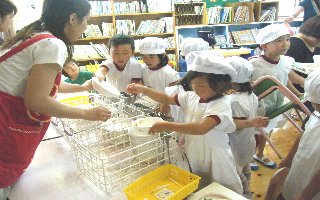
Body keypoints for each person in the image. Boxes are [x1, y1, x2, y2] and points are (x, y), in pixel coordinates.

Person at [0, 0, 112, 199]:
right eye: (86, 20)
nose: (86, 27)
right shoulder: (53, 44)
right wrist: (87, 113)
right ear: (72, 18)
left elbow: (40, 83)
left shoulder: (33, 35)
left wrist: (80, 88)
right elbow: (36, 100)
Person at [127, 51, 243, 194]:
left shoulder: (220, 105)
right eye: (193, 84)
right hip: (194, 148)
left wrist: (166, 125)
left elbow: (201, 128)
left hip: (213, 153)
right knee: (199, 184)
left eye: (200, 85)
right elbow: (166, 99)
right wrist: (143, 89)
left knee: (219, 187)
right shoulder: (192, 97)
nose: (195, 88)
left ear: (219, 86)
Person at [249, 23, 303, 170]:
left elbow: (285, 80)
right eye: (278, 40)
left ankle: (259, 154)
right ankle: (248, 157)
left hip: (275, 102)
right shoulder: (254, 63)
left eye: (287, 39)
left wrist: (297, 94)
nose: (285, 44)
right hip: (257, 106)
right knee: (254, 133)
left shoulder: (286, 61)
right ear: (264, 45)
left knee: (268, 130)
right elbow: (246, 85)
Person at [265, 70, 320, 200]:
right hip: (301, 171)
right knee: (292, 189)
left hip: (312, 190)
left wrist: (304, 196)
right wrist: (289, 159)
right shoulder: (316, 115)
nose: (314, 107)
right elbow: (304, 133)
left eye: (315, 104)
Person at [227, 56, 269, 199]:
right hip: (247, 142)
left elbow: (236, 126)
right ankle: (247, 190)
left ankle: (244, 195)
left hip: (236, 145)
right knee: (245, 168)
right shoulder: (250, 95)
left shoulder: (235, 101)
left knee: (237, 175)